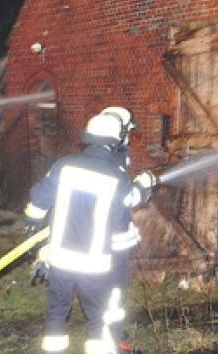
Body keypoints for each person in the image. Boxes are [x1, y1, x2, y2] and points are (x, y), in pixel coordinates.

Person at [24, 112, 156, 354]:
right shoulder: (116, 176)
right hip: (94, 263)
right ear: (115, 142)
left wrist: (31, 223)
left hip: (61, 257)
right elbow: (123, 212)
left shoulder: (64, 165)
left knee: (56, 310)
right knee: (98, 318)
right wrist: (143, 186)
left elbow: (39, 198)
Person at [98, 106, 154, 352]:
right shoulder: (109, 159)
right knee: (111, 294)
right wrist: (141, 187)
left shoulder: (112, 155)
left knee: (114, 295)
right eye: (127, 132)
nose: (130, 137)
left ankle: (115, 334)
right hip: (107, 242)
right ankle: (111, 342)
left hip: (112, 240)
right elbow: (122, 197)